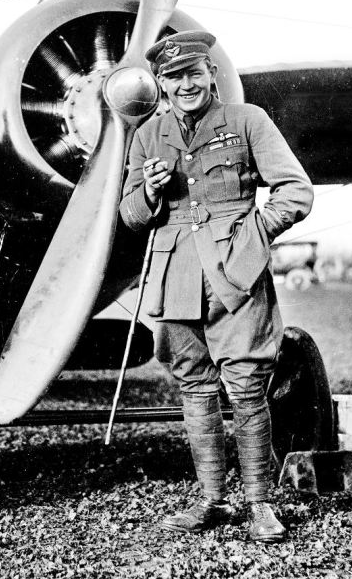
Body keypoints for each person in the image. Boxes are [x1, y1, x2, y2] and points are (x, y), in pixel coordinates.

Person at [119, 30, 313, 542]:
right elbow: (132, 217)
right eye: (174, 77)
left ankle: (260, 504)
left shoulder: (248, 121)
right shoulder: (146, 135)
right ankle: (211, 501)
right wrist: (150, 191)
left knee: (248, 387)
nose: (186, 84)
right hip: (173, 275)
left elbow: (296, 192)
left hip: (235, 273)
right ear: (161, 83)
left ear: (211, 75)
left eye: (193, 74)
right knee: (195, 389)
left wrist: (255, 233)